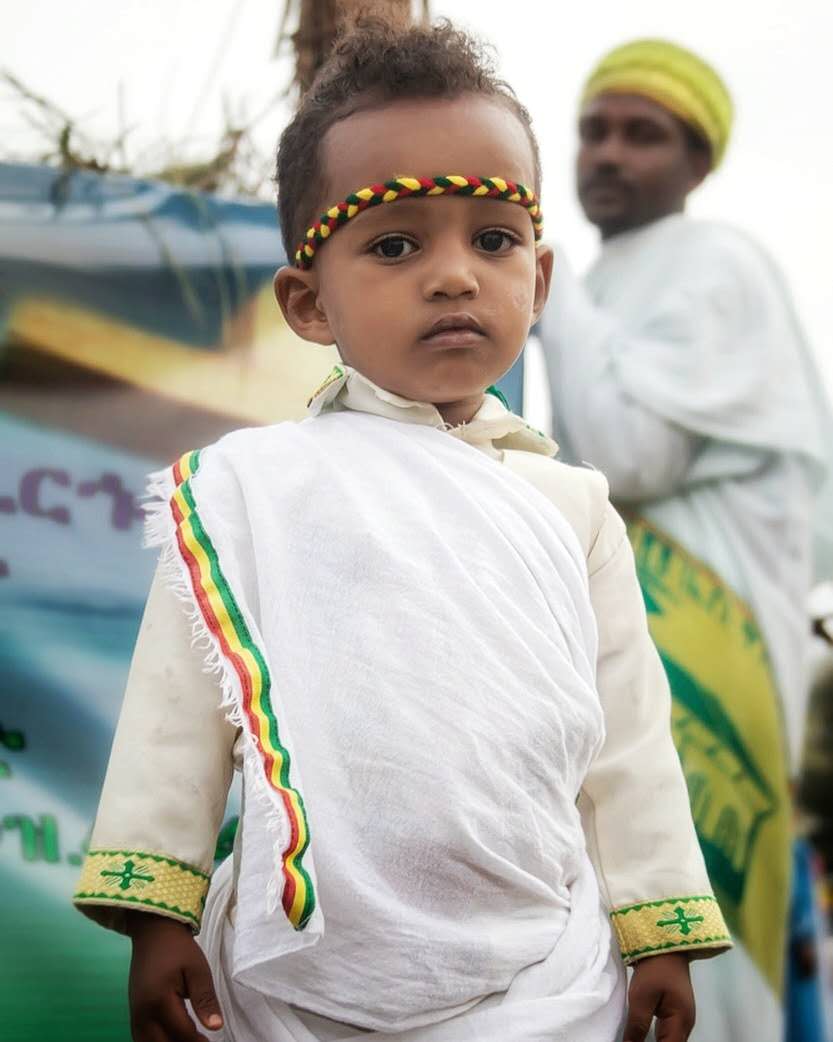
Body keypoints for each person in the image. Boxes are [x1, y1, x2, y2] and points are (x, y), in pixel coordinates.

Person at [72, 21, 731, 1042]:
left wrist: (658, 929)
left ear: (539, 283)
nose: (454, 275)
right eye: (393, 243)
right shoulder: (252, 491)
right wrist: (156, 918)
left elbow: (626, 739)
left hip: (546, 973)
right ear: (307, 302)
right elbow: (179, 716)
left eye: (493, 239)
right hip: (292, 972)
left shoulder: (569, 505)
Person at [538, 37, 833, 1042]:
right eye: (591, 130)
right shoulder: (626, 272)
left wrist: (549, 280)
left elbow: (628, 455)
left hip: (711, 630)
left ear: (697, 162)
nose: (606, 154)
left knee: (686, 895)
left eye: (641, 135)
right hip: (633, 617)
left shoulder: (714, 262)